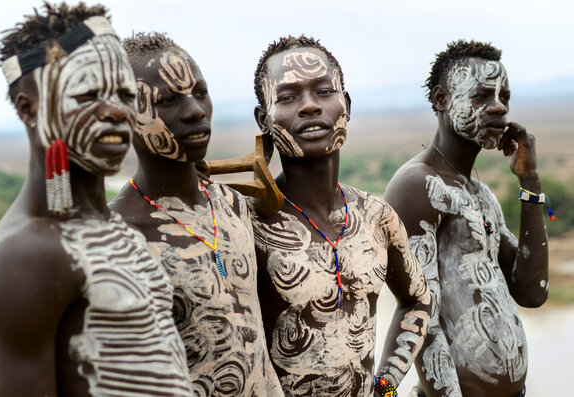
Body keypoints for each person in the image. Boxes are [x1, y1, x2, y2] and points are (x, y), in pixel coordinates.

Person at [0, 4, 193, 396]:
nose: (114, 110)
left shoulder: (108, 225)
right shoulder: (26, 254)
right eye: (89, 93)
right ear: (29, 108)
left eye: (125, 94)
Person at [251, 35, 431, 396]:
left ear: (345, 104)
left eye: (323, 91)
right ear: (264, 119)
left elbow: (419, 299)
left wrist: (386, 384)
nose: (309, 106)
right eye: (287, 97)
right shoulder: (247, 221)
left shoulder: (377, 217)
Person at [109, 32, 283, 396]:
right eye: (168, 100)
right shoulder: (115, 239)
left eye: (200, 92)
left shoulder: (232, 205)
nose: (195, 111)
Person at [384, 40, 549, 397]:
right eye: (481, 96)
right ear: (441, 100)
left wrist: (530, 182)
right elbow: (420, 315)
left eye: (504, 96)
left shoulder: (482, 195)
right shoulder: (418, 185)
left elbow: (532, 292)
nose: (499, 108)